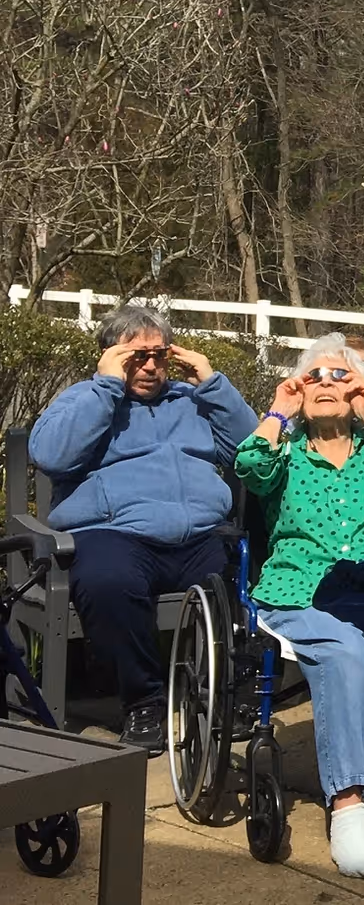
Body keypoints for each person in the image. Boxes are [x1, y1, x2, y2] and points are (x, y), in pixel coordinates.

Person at [234, 335, 364, 879]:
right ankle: (347, 813)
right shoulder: (285, 455)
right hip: (300, 592)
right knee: (346, 655)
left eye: (339, 377)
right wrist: (280, 409)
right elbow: (247, 465)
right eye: (314, 375)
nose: (327, 384)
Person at [28, 305, 256, 752]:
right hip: (115, 534)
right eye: (136, 357)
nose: (150, 367)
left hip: (199, 535)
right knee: (107, 582)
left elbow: (251, 450)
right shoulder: (82, 399)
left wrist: (212, 383)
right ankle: (144, 702)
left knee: (243, 579)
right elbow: (53, 456)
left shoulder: (192, 402)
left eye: (159, 356)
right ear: (110, 355)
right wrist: (107, 388)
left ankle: (226, 692)